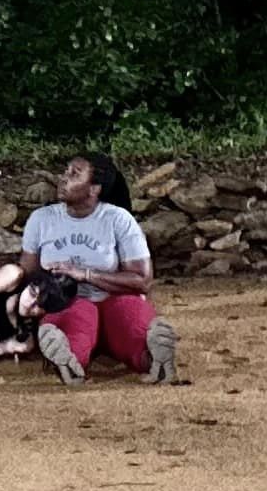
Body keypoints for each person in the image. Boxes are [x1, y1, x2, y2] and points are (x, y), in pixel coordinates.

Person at [19, 153, 179, 385]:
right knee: (76, 322)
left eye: (74, 174)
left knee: (131, 321)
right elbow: (27, 273)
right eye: (65, 171)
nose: (63, 178)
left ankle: (154, 359)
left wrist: (84, 274)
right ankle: (68, 360)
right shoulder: (41, 219)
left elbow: (142, 280)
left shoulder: (118, 219)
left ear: (94, 188)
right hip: (69, 302)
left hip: (114, 299)